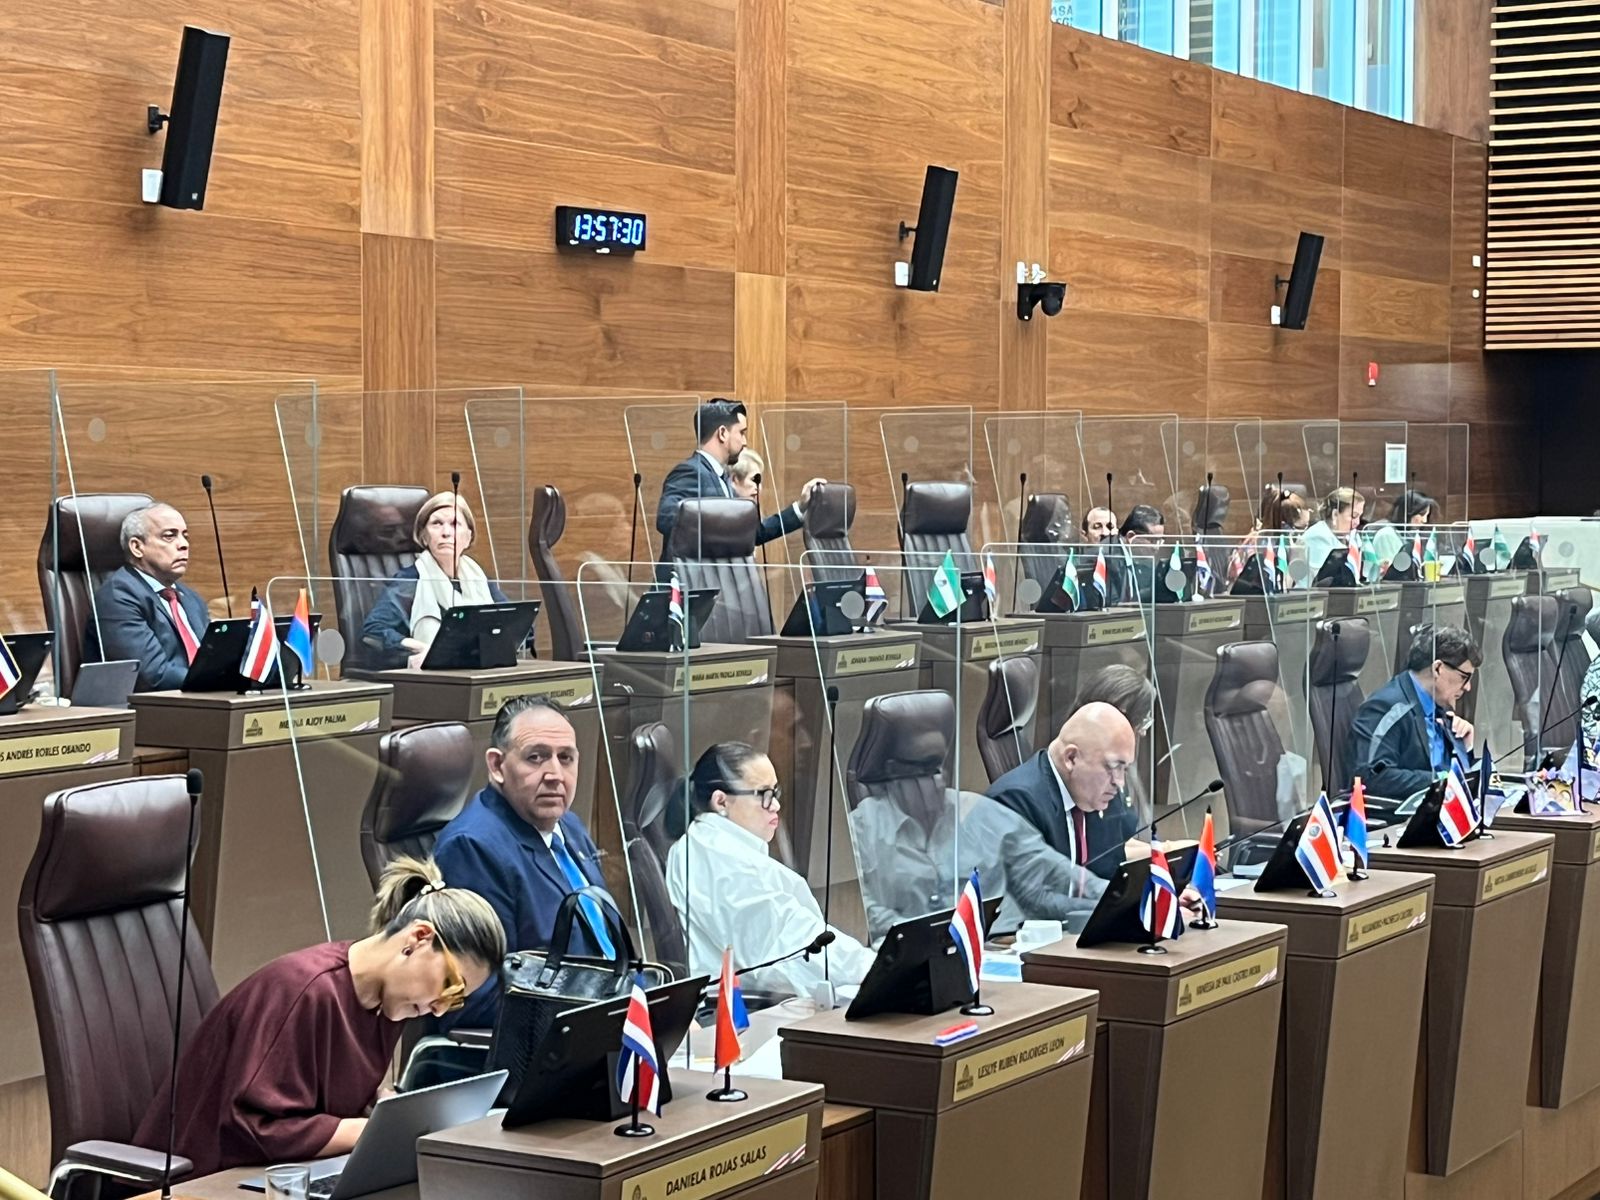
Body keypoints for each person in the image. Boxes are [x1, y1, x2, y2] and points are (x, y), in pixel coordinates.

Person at [134, 858, 504, 1177]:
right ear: (419, 938)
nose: (440, 1008)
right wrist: (373, 1131)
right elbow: (256, 1128)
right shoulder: (303, 990)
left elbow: (330, 1100)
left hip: (284, 1172)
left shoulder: (388, 1003)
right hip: (202, 1178)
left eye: (457, 1000)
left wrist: (387, 1108)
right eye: (450, 985)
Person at [432, 695, 616, 1028]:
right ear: (497, 766)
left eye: (566, 758)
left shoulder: (568, 826)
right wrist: (605, 1016)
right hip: (548, 1042)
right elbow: (477, 1000)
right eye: (536, 757)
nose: (555, 774)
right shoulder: (473, 848)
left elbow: (605, 941)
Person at [665, 742, 875, 997]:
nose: (775, 805)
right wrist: (870, 968)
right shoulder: (719, 858)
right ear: (721, 801)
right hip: (742, 1007)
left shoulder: (712, 845)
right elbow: (786, 942)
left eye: (776, 793)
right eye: (763, 794)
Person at [987, 702, 1143, 885]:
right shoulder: (1014, 804)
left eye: (1124, 768)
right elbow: (1036, 898)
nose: (1119, 782)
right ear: (1071, 758)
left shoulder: (1097, 797)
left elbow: (1111, 873)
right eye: (1113, 766)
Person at [361, 492, 510, 670]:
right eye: (437, 523)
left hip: (476, 671)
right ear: (423, 536)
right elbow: (374, 630)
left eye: (455, 524)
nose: (446, 533)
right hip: (429, 676)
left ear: (468, 537)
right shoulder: (411, 579)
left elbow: (517, 624)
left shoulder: (478, 579)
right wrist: (425, 649)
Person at [655, 399, 824, 550]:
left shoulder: (721, 477)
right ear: (722, 433)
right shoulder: (690, 471)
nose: (745, 442)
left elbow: (752, 533)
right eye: (741, 433)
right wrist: (722, 526)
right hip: (690, 576)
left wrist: (800, 508)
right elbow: (666, 519)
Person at [85, 503, 211, 692]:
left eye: (185, 536)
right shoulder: (118, 597)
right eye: (169, 536)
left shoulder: (191, 599)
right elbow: (151, 676)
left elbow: (212, 659)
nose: (184, 544)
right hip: (152, 705)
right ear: (137, 547)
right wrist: (216, 680)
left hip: (198, 698)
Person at [1347, 622, 1479, 798]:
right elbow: (1373, 777)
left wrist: (1465, 748)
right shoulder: (1387, 708)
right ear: (1437, 669)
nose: (1468, 687)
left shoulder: (1438, 705)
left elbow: (1459, 777)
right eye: (1464, 677)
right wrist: (1443, 780)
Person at [1299, 487, 1365, 574]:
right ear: (1335, 514)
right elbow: (1323, 578)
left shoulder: (1352, 536)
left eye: (1360, 516)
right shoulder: (1316, 537)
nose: (1357, 522)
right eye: (1354, 516)